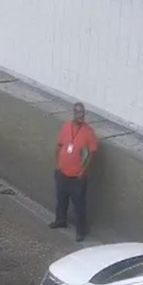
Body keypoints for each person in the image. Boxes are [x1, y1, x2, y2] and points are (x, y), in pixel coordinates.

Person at [49, 102, 98, 242]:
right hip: (62, 172)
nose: (81, 115)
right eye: (78, 113)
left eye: (83, 113)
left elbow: (91, 154)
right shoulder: (66, 127)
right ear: (73, 113)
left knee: (79, 205)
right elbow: (59, 146)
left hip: (77, 177)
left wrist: (83, 171)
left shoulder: (88, 132)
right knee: (61, 200)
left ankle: (81, 231)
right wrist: (58, 164)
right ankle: (60, 220)